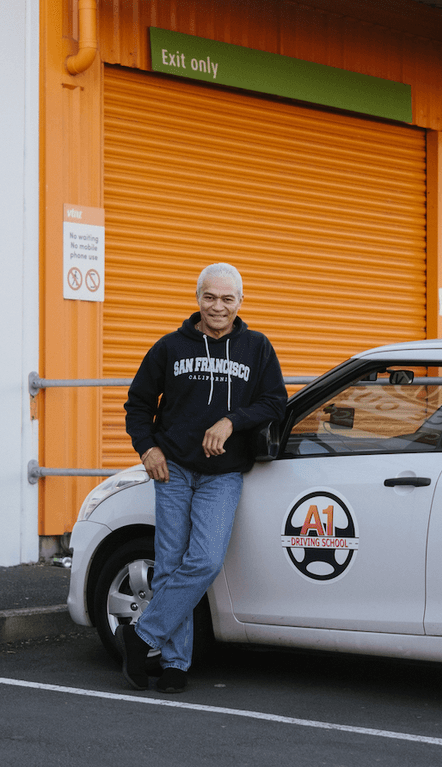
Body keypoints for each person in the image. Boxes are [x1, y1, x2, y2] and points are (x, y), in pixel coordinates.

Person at [121, 262, 287, 693]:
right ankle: (175, 665)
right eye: (210, 297)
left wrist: (232, 421)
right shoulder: (169, 347)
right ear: (198, 298)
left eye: (227, 298)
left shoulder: (257, 348)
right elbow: (138, 403)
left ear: (240, 302)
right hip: (172, 468)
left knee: (206, 560)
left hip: (223, 474)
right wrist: (147, 447)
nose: (218, 306)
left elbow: (275, 403)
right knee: (170, 565)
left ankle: (142, 637)